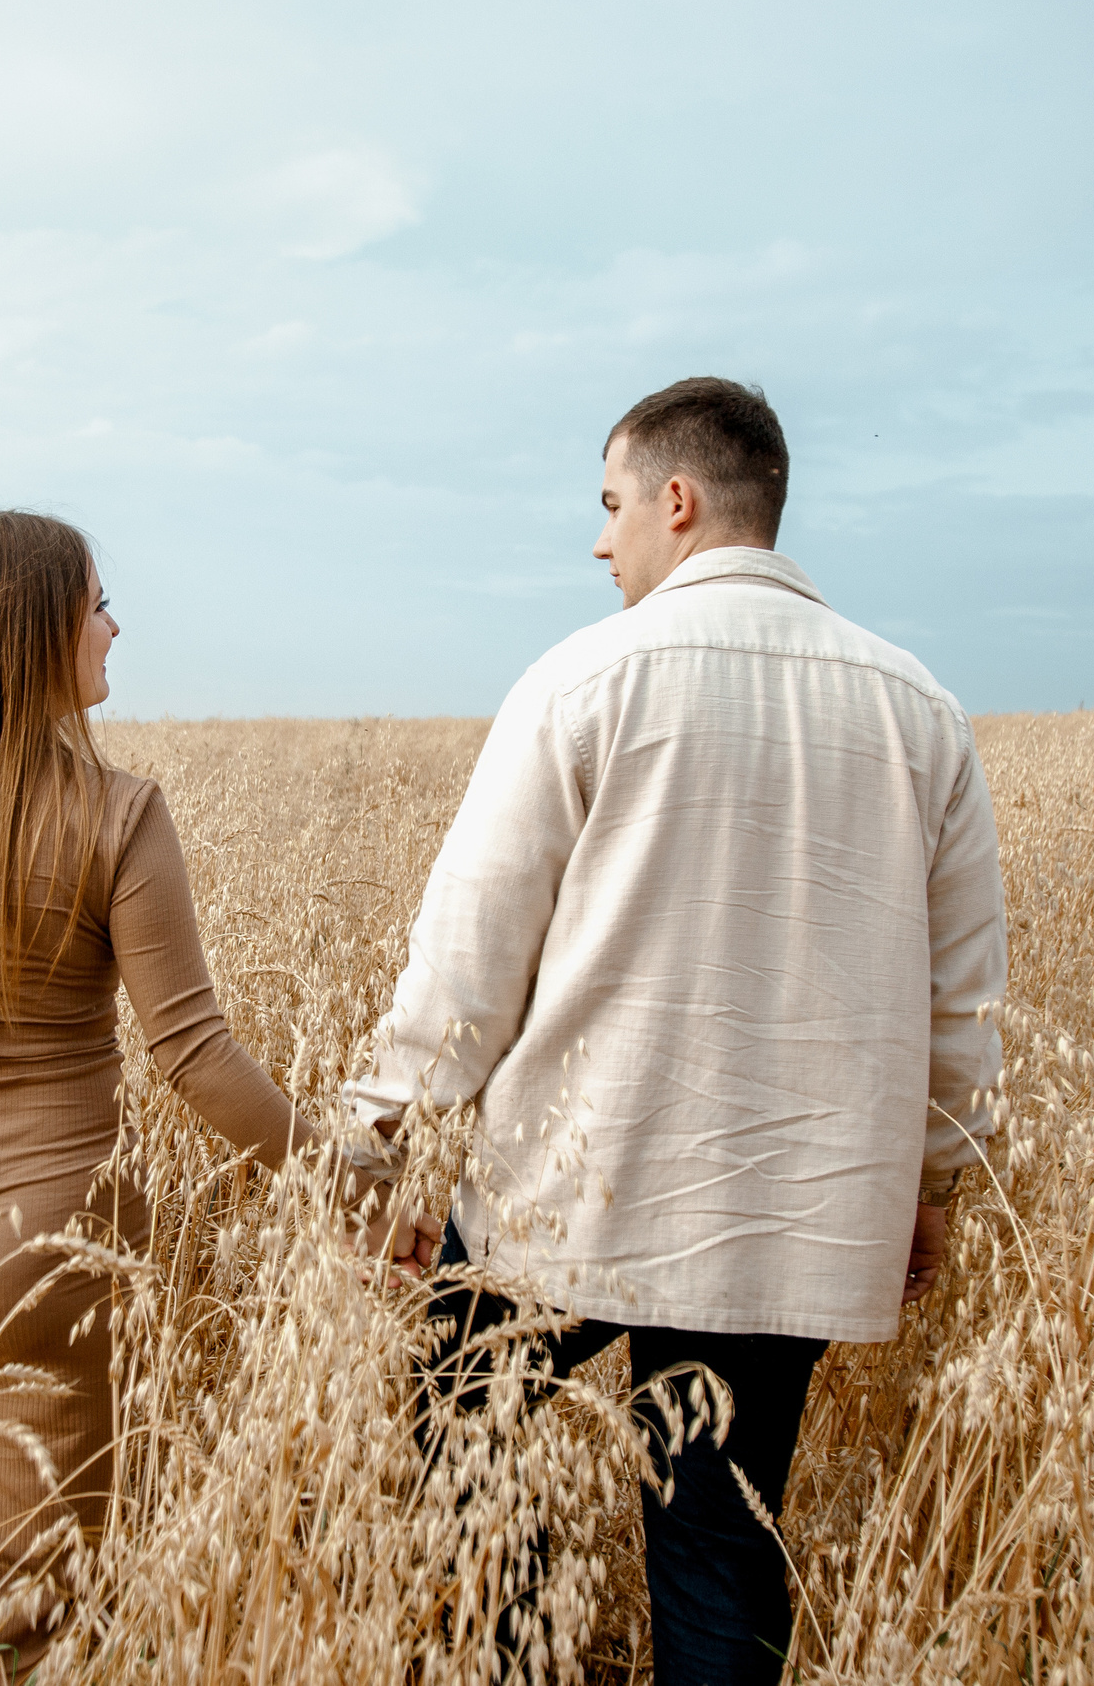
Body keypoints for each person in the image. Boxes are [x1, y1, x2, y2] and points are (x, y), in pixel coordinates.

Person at [340, 378, 1007, 1683]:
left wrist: (381, 1141)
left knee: (463, 1444)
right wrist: (929, 1184)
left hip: (566, 1194)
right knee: (719, 1546)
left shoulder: (580, 679)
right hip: (791, 1209)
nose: (602, 541)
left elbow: (469, 955)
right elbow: (962, 994)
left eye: (611, 504)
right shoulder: (919, 705)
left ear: (679, 500)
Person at [0, 509, 434, 1684]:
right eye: (96, 606)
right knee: (38, 1616)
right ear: (29, 634)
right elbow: (196, 1056)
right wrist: (359, 1189)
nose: (115, 628)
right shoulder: (115, 812)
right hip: (43, 1260)